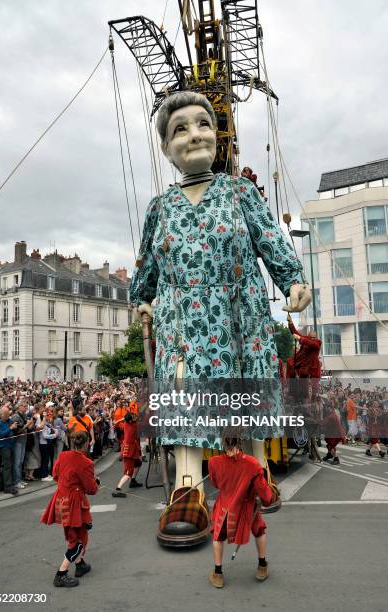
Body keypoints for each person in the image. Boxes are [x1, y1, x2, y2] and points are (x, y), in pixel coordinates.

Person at [129, 91, 311, 491]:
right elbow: (145, 267)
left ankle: (257, 472)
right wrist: (141, 300)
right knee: (184, 388)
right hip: (183, 321)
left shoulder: (240, 192)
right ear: (166, 148)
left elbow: (270, 240)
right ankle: (188, 488)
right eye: (180, 130)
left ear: (217, 135)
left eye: (203, 124)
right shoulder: (159, 208)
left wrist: (292, 279)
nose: (194, 135)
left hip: (239, 312)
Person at [208, 429, 277, 588]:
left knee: (217, 536)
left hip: (225, 507)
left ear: (223, 441)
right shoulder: (252, 463)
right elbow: (264, 493)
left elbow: (216, 483)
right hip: (247, 508)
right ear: (240, 440)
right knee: (259, 530)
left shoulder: (213, 462)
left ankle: (218, 574)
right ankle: (262, 565)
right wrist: (268, 499)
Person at [41, 430, 99, 587]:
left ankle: (80, 565)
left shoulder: (63, 455)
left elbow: (55, 475)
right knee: (79, 539)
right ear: (87, 443)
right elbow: (91, 489)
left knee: (74, 533)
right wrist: (95, 483)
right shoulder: (86, 463)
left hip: (60, 499)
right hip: (75, 503)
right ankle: (61, 574)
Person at [112, 412, 142, 498]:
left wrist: (119, 420)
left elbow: (123, 420)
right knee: (128, 473)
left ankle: (133, 480)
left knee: (138, 464)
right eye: (133, 417)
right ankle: (118, 489)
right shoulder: (133, 426)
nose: (135, 417)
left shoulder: (126, 423)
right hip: (129, 452)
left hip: (132, 449)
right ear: (130, 421)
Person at [0, 405, 19, 495]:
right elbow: (1, 434)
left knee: (8, 466)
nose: (8, 415)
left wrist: (13, 427)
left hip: (10, 445)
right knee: (7, 466)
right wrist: (10, 428)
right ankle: (8, 487)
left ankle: (2, 486)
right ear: (1, 415)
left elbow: (13, 431)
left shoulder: (8, 421)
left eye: (8, 413)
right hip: (4, 447)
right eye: (6, 414)